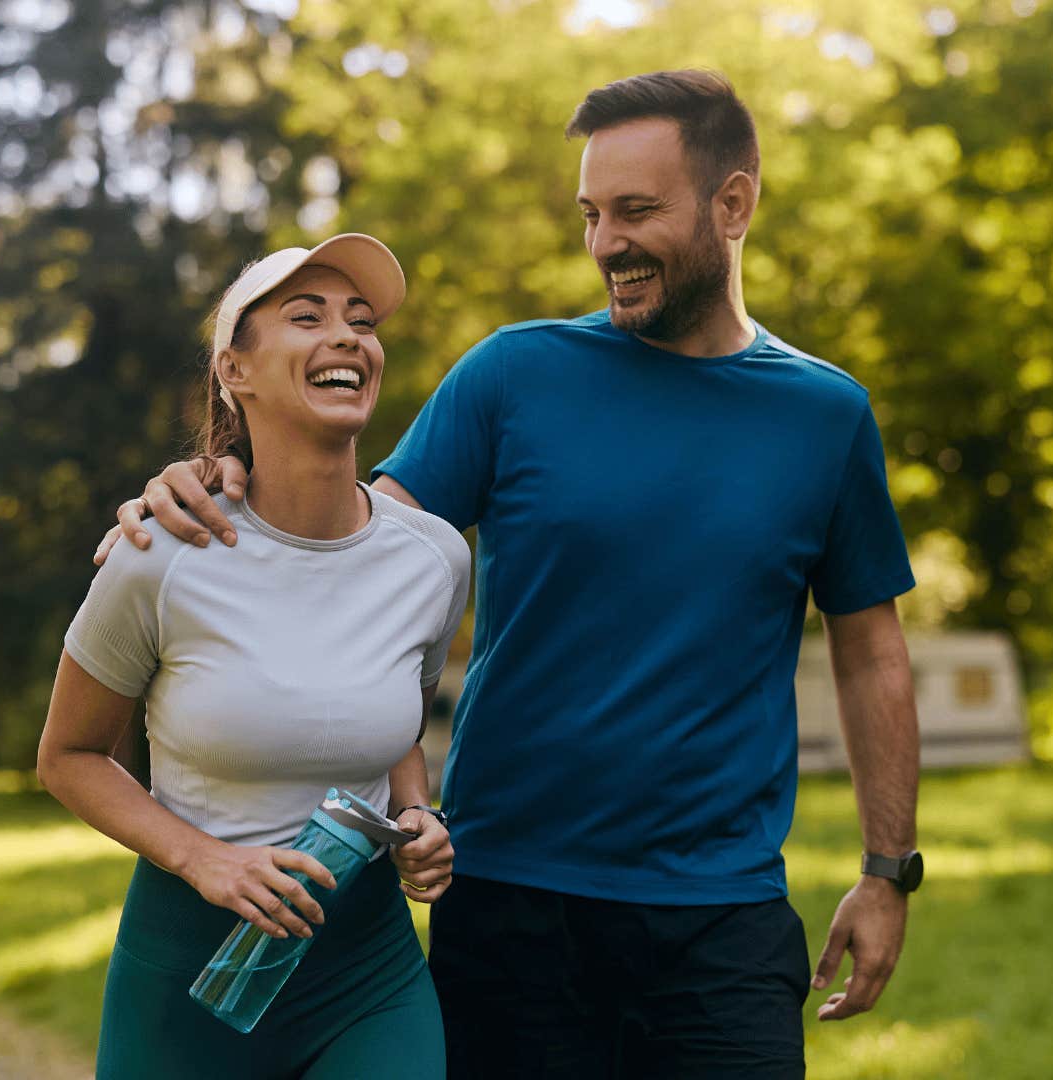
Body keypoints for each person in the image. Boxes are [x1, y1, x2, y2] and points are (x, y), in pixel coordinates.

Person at [100, 70, 923, 1078]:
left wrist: (888, 871)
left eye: (636, 210)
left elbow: (873, 652)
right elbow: (344, 547)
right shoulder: (514, 376)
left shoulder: (825, 417)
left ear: (733, 204)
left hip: (722, 919)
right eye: (591, 215)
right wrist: (217, 474)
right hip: (512, 910)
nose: (605, 243)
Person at [41, 233, 467, 1078]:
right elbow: (69, 756)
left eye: (362, 321)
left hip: (367, 974)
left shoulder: (435, 559)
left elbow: (395, 733)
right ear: (234, 371)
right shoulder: (159, 557)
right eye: (307, 317)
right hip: (190, 973)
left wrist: (419, 817)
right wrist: (205, 860)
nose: (347, 337)